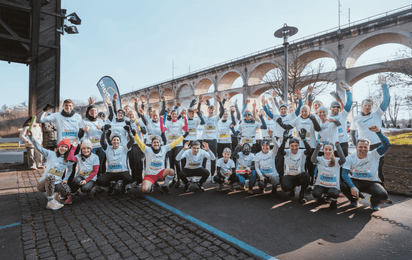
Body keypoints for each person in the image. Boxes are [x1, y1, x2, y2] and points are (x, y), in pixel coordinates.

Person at [350, 75, 390, 185]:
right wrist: (356, 145)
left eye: (369, 105)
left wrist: (384, 85)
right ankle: (359, 192)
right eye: (365, 105)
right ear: (362, 106)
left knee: (378, 169)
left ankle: (382, 192)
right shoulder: (356, 118)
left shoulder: (377, 114)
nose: (367, 107)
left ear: (372, 106)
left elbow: (386, 100)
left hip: (377, 145)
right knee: (360, 169)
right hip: (363, 147)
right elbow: (352, 133)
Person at [341, 126, 390, 211]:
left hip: (372, 182)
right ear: (356, 147)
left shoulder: (374, 154)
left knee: (382, 195)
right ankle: (354, 200)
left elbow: (386, 144)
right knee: (344, 186)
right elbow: (344, 174)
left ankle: (374, 203)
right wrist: (352, 186)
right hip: (357, 181)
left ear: (369, 148)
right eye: (360, 147)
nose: (363, 149)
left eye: (365, 147)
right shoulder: (350, 158)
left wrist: (378, 132)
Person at [132, 124, 189, 194]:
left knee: (171, 171)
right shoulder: (147, 149)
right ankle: (151, 185)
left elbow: (174, 142)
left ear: (160, 143)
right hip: (150, 175)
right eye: (154, 142)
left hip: (160, 173)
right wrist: (135, 135)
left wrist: (183, 136)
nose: (156, 144)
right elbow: (139, 142)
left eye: (157, 142)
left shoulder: (164, 148)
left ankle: (164, 186)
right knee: (144, 189)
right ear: (151, 143)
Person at [27, 134, 73, 210]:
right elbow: (39, 148)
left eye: (66, 147)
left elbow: (70, 170)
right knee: (51, 177)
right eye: (62, 146)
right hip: (43, 184)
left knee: (67, 190)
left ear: (68, 149)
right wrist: (32, 138)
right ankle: (50, 202)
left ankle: (55, 194)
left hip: (57, 183)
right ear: (58, 147)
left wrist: (65, 179)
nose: (63, 148)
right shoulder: (51, 154)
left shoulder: (67, 160)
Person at [96, 124, 134, 195]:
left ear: (120, 141)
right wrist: (104, 131)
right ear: (112, 141)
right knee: (99, 181)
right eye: (114, 140)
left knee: (130, 179)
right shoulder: (108, 148)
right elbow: (102, 142)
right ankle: (111, 185)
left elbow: (132, 141)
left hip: (122, 172)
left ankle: (123, 185)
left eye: (117, 140)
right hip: (111, 173)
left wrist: (129, 132)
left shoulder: (124, 148)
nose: (115, 141)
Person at [279, 129, 312, 203]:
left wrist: (304, 139)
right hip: (289, 175)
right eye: (292, 146)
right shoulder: (287, 152)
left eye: (296, 145)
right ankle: (291, 190)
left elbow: (309, 151)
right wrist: (284, 141)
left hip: (300, 176)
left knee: (306, 176)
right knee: (285, 186)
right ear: (289, 146)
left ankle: (302, 194)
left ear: (299, 146)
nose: (294, 148)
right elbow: (280, 152)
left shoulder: (302, 152)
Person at [311, 141, 346, 209]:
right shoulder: (320, 159)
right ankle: (322, 196)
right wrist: (318, 147)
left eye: (330, 149)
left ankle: (333, 200)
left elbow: (343, 160)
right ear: (323, 150)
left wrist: (338, 146)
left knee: (333, 193)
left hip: (333, 186)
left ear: (333, 150)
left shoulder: (337, 160)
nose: (328, 151)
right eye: (326, 149)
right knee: (316, 194)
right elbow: (312, 159)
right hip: (321, 184)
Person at [198, 94, 224, 182]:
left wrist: (220, 102)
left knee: (213, 158)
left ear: (214, 110)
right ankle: (203, 175)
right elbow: (198, 112)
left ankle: (212, 175)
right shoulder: (204, 118)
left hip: (213, 141)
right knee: (204, 158)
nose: (210, 110)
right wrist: (199, 103)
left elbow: (222, 111)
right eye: (209, 109)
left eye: (212, 109)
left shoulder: (216, 118)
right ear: (208, 110)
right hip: (205, 140)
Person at [66, 139, 100, 204]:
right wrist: (73, 147)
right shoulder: (79, 156)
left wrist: (86, 181)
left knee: (84, 188)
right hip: (81, 176)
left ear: (90, 149)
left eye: (88, 148)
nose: (86, 150)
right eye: (83, 148)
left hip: (91, 179)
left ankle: (91, 190)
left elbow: (95, 171)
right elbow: (69, 158)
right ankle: (72, 195)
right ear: (81, 149)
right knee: (75, 180)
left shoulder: (95, 157)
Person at [253, 129, 280, 196]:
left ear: (269, 146)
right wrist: (261, 176)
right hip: (263, 175)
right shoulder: (257, 155)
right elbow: (256, 167)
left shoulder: (272, 153)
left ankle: (274, 188)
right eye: (263, 145)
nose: (265, 147)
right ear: (261, 146)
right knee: (261, 184)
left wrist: (272, 136)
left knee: (276, 180)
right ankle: (262, 188)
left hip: (272, 174)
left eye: (266, 145)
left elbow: (276, 146)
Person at [329, 82, 353, 156]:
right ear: (330, 108)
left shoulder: (343, 115)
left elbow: (349, 103)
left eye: (338, 107)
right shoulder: (327, 117)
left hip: (343, 142)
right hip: (332, 142)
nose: (336, 108)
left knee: (344, 162)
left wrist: (347, 90)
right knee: (334, 163)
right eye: (334, 107)